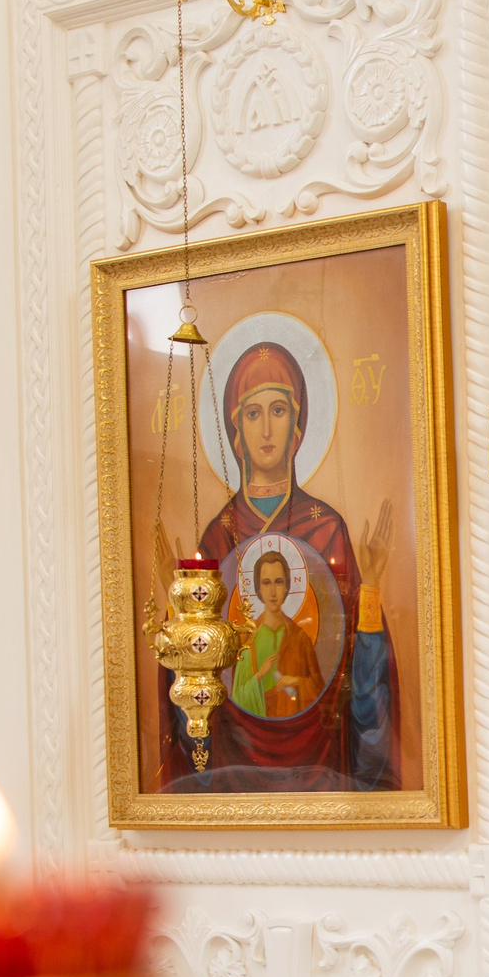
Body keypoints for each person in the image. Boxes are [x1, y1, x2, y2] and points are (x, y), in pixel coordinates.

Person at [172, 338, 399, 793]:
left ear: (297, 426)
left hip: (321, 758)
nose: (266, 430)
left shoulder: (327, 528)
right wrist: (173, 606)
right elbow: (199, 664)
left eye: (278, 411)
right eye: (252, 414)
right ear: (236, 431)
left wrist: (370, 586)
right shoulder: (218, 536)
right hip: (235, 760)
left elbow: (354, 671)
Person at [229, 546, 326, 719]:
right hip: (256, 727)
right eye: (266, 583)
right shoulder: (247, 639)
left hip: (292, 724)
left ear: (287, 586)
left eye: (279, 582)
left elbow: (318, 690)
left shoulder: (300, 638)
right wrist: (260, 675)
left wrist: (296, 681)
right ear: (258, 588)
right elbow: (238, 697)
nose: (273, 592)